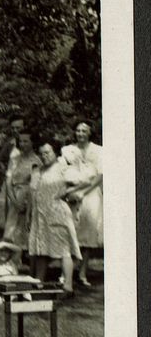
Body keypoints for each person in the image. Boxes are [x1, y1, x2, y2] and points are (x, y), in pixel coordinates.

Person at [28, 138, 81, 296]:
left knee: (63, 250)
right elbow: (32, 193)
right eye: (42, 153)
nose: (44, 156)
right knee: (41, 250)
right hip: (39, 214)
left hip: (57, 212)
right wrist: (29, 215)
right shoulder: (37, 170)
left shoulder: (63, 167)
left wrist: (66, 193)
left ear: (55, 152)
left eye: (47, 152)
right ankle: (38, 284)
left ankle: (68, 287)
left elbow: (81, 182)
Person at [61, 120, 103, 287]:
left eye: (84, 131)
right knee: (70, 233)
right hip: (72, 194)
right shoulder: (68, 150)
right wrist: (72, 192)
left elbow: (100, 176)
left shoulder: (99, 151)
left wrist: (83, 192)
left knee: (88, 234)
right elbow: (62, 172)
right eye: (78, 130)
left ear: (89, 132)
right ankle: (67, 272)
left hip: (91, 195)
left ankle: (82, 272)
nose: (80, 134)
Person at [2, 130, 40, 250]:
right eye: (20, 141)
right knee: (11, 226)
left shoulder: (37, 161)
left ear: (33, 143)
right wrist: (13, 200)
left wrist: (26, 203)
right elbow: (8, 180)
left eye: (26, 141)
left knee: (25, 226)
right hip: (14, 194)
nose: (22, 144)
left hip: (28, 197)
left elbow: (35, 185)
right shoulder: (15, 159)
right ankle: (12, 257)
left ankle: (26, 255)